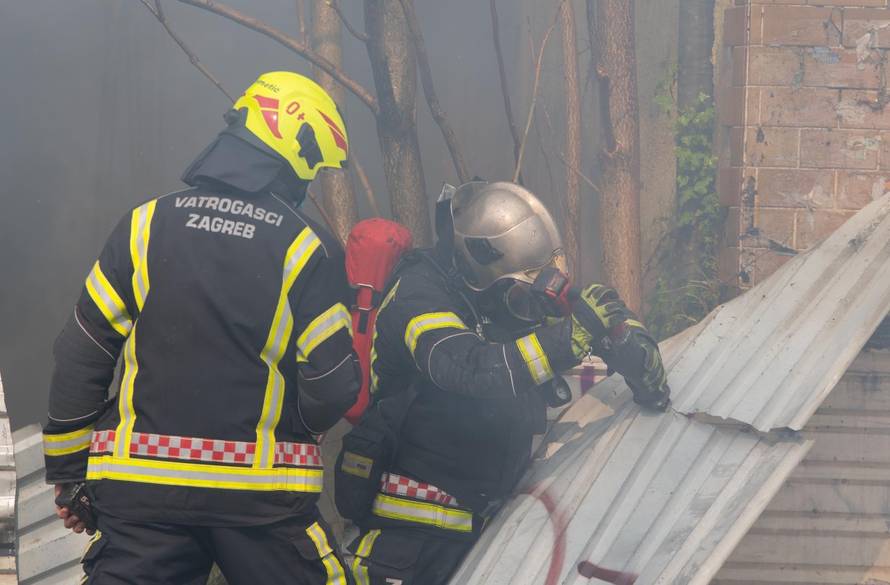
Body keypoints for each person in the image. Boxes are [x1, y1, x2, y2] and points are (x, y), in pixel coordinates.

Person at [42, 71, 360, 585]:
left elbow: (81, 352)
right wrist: (301, 424)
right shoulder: (306, 246)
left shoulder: (143, 225)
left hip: (141, 500)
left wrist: (69, 473)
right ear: (297, 150)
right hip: (261, 505)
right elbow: (334, 382)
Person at [343, 181, 669, 585]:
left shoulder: (496, 293)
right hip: (409, 540)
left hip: (485, 537)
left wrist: (624, 339)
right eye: (517, 284)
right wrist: (571, 336)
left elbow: (584, 316)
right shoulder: (417, 295)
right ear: (482, 265)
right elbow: (467, 369)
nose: (524, 296)